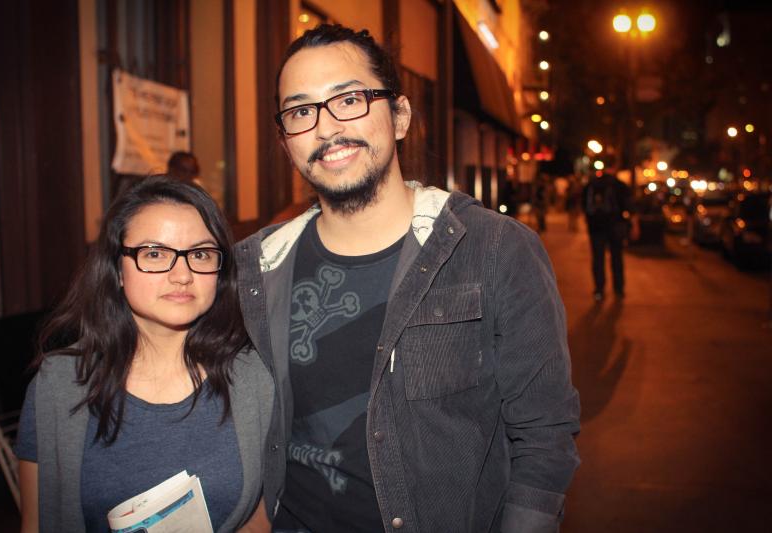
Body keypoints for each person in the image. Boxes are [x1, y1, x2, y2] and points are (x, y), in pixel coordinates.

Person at [236, 24, 580, 533]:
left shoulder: (494, 249)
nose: (326, 128)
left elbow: (544, 434)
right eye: (301, 111)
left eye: (349, 99)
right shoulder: (258, 267)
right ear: (286, 139)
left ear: (399, 116)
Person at [15, 177, 276, 532]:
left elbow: (265, 512)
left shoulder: (255, 376)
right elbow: (37, 524)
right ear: (116, 270)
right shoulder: (59, 386)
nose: (182, 274)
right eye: (155, 253)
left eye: (200, 254)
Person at [581, 168, 638, 300]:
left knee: (598, 259)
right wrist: (634, 225)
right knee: (617, 258)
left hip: (596, 228)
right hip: (615, 226)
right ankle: (618, 289)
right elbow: (629, 206)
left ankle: (599, 289)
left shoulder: (591, 185)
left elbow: (584, 206)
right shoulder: (619, 185)